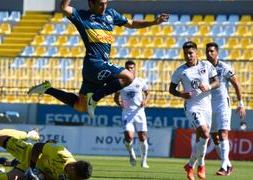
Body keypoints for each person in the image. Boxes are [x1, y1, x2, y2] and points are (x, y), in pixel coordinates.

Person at [27, 0, 169, 118]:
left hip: (92, 70)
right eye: (100, 4)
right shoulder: (82, 16)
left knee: (80, 107)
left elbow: (131, 23)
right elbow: (64, 7)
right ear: (91, 3)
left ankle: (48, 89)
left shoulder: (110, 14)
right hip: (96, 63)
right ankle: (95, 98)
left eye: (105, 3)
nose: (104, 6)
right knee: (129, 77)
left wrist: (153, 23)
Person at [169, 41, 220, 180]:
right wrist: (181, 94)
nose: (188, 56)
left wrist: (208, 86)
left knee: (202, 138)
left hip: (206, 107)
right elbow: (171, 89)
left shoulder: (206, 65)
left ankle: (191, 165)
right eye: (185, 53)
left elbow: (217, 82)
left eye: (190, 53)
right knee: (204, 132)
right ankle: (201, 165)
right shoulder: (180, 71)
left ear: (196, 52)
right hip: (192, 106)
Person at [0, 128, 92, 180]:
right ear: (72, 168)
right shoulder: (60, 152)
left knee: (1, 179)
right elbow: (37, 147)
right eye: (77, 178)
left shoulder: (75, 175)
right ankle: (29, 133)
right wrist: (32, 169)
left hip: (36, 171)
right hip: (30, 155)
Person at [206, 42, 246, 176]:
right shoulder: (203, 67)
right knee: (214, 136)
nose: (209, 53)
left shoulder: (225, 67)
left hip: (223, 104)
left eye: (212, 51)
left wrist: (241, 103)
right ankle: (228, 164)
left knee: (223, 133)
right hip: (209, 106)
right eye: (207, 51)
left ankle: (224, 167)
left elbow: (236, 84)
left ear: (217, 52)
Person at [113, 60, 150, 168]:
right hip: (127, 113)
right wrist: (120, 104)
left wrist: (145, 101)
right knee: (129, 137)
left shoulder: (140, 81)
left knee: (143, 137)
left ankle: (144, 161)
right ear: (125, 69)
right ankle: (131, 153)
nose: (130, 70)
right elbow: (116, 98)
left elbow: (147, 93)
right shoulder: (120, 83)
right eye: (128, 68)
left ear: (135, 69)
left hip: (139, 112)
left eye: (131, 68)